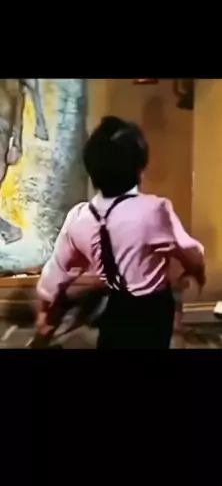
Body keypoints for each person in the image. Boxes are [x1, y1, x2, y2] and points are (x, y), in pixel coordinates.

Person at [36, 116, 205, 350]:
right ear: (139, 167)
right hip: (153, 310)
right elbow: (190, 250)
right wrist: (195, 269)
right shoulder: (154, 210)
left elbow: (56, 273)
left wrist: (46, 313)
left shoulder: (79, 217)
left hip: (115, 306)